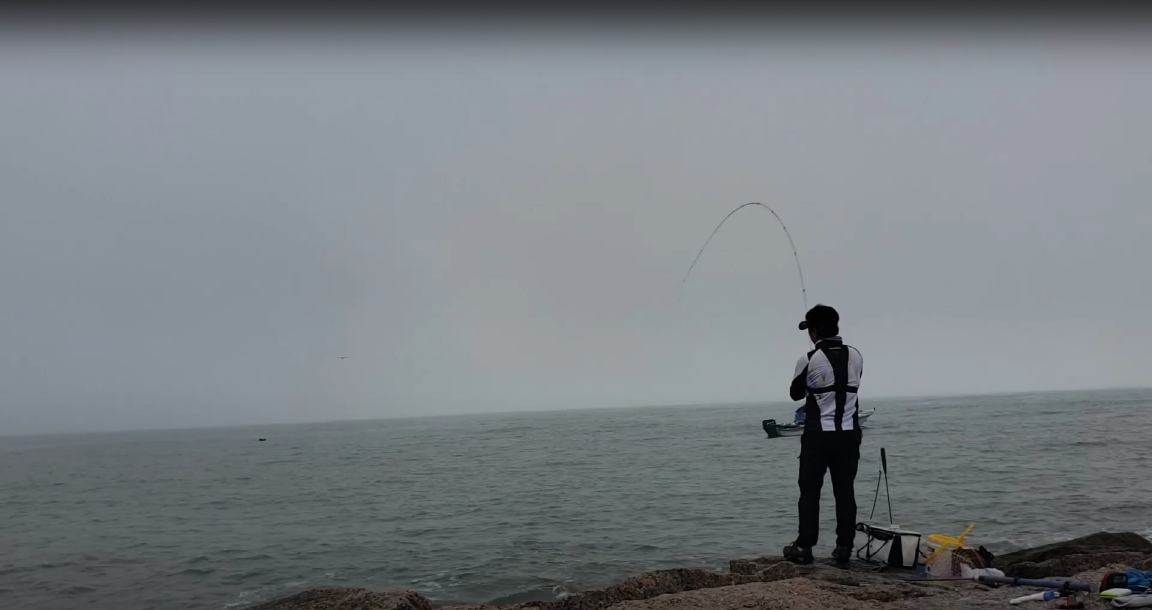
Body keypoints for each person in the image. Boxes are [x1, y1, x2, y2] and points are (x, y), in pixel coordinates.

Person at [782, 304, 864, 566]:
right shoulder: (856, 355)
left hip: (818, 436)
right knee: (845, 490)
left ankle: (804, 545)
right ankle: (844, 546)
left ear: (814, 331)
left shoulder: (809, 359)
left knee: (809, 490)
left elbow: (795, 394)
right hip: (849, 434)